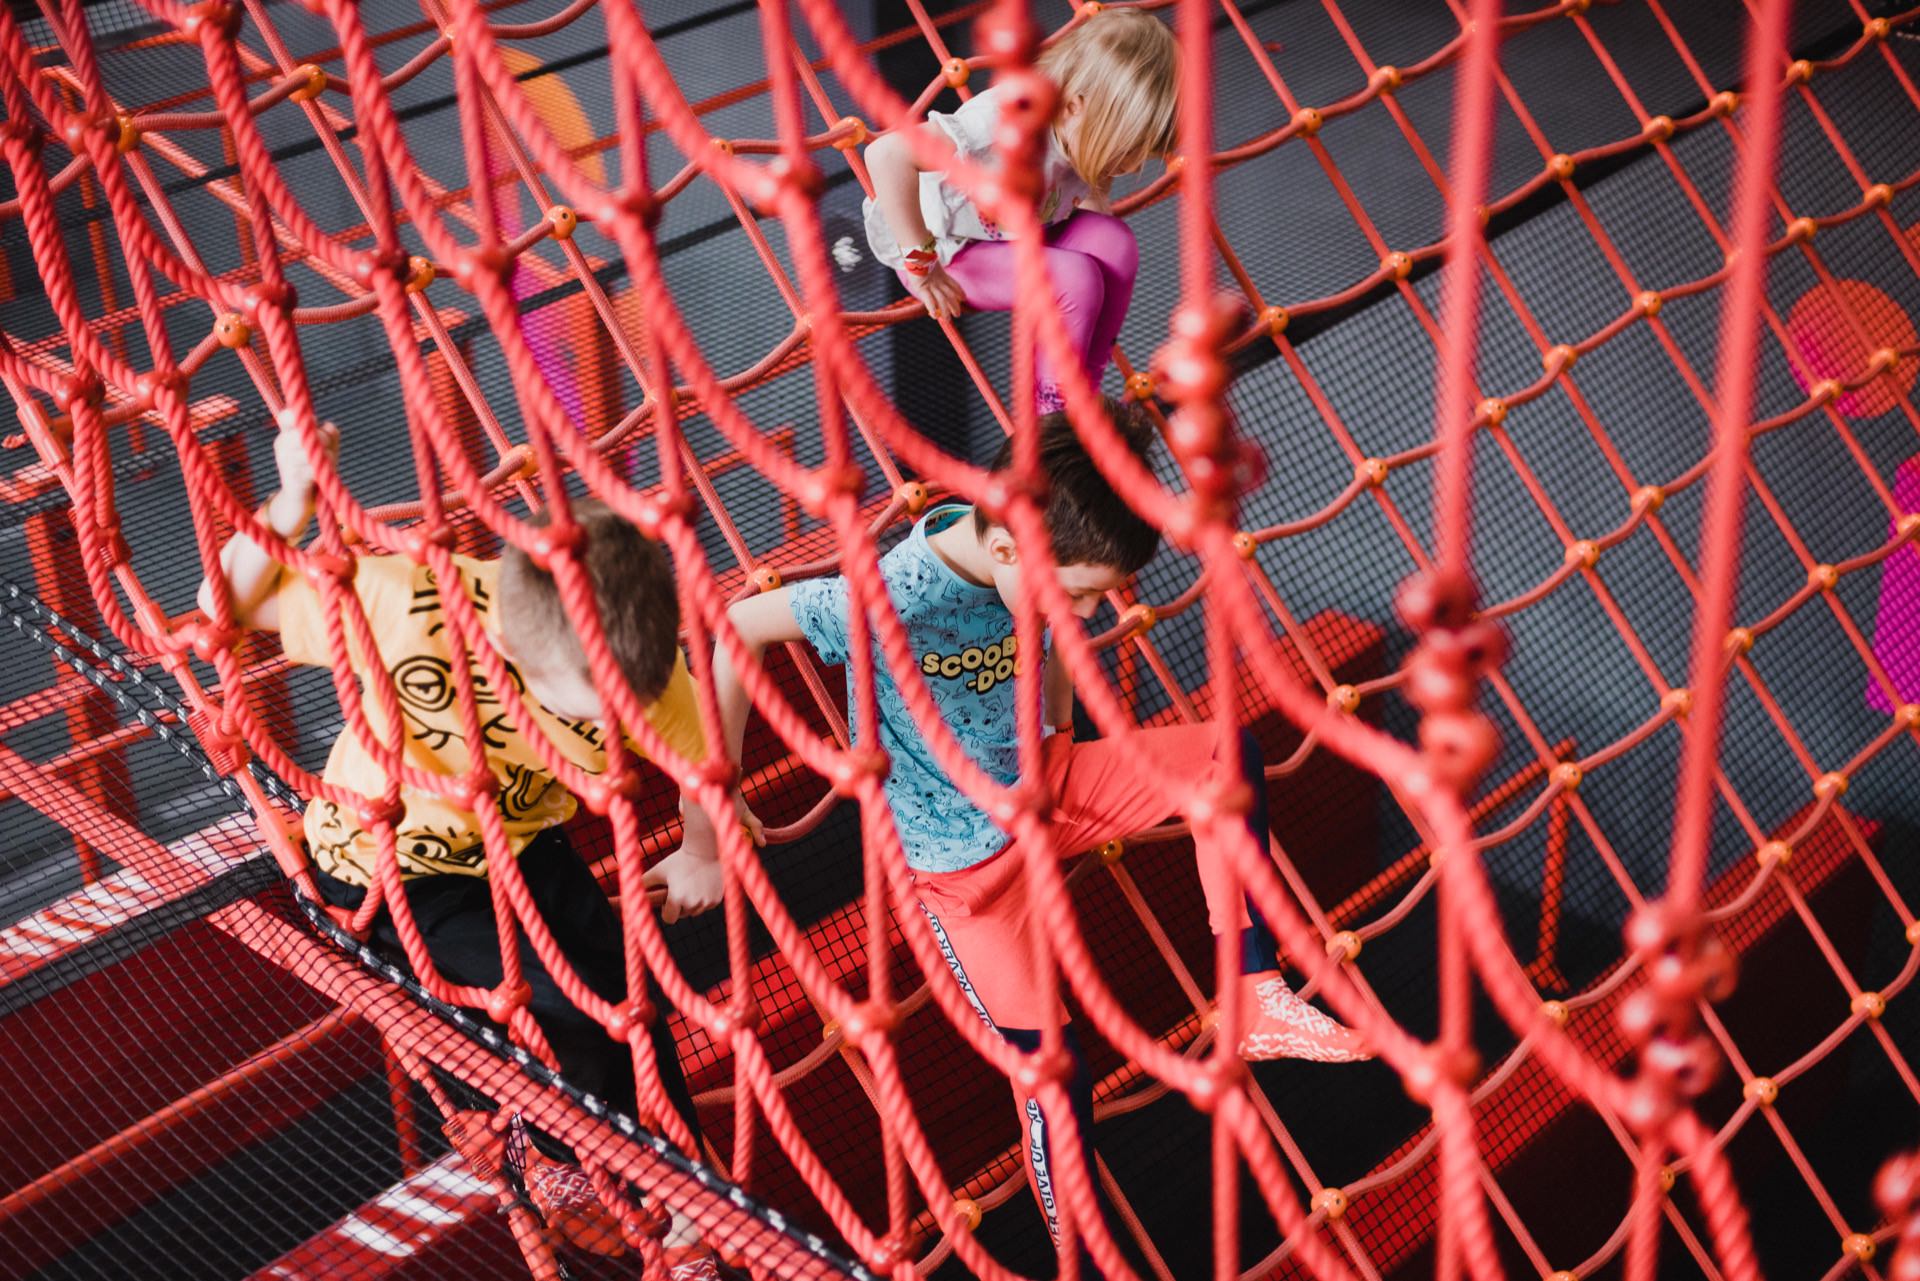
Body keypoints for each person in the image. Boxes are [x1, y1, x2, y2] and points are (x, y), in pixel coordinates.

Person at [690, 402, 1367, 1260]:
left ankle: (1252, 994)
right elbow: (739, 627)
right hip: (963, 877)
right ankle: (1076, 1250)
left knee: (1223, 757)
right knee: (1053, 1072)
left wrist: (1053, 733)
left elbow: (1041, 630)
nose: (1083, 616)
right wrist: (705, 822)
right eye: (1080, 594)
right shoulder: (890, 594)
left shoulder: (1028, 554)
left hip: (1047, 790)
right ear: (1008, 550)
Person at [200, 417, 728, 1277]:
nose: (611, 724)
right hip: (387, 863)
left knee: (630, 992)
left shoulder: (642, 663)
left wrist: (704, 850)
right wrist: (292, 498)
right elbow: (226, 601)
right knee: (552, 996)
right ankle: (561, 1157)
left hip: (516, 844)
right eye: (586, 709)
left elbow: (707, 760)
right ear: (513, 651)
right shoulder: (411, 604)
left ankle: (686, 1190)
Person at [862, 7, 1177, 412]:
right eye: (1130, 149)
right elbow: (885, 155)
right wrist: (923, 267)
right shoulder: (995, 126)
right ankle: (1053, 415)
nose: (1135, 166)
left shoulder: (1080, 123)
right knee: (1076, 279)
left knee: (1117, 246)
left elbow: (1093, 189)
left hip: (1019, 230)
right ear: (1075, 106)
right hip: (945, 249)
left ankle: (1084, 389)